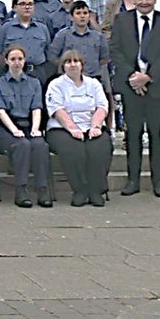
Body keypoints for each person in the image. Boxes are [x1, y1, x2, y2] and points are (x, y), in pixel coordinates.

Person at [110, 0, 160, 197]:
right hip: (130, 87)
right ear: (134, 0)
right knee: (133, 135)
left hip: (156, 87)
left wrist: (147, 77)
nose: (144, 2)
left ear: (155, 0)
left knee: (156, 134)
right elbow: (115, 50)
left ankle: (158, 181)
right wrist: (133, 76)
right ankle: (133, 180)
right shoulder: (122, 20)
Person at [45, 50, 111, 207]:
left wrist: (95, 126)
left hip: (91, 125)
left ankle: (95, 191)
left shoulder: (93, 84)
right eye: (68, 62)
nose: (72, 65)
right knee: (74, 149)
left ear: (82, 65)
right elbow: (57, 110)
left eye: (76, 61)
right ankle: (80, 190)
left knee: (99, 147)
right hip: (61, 128)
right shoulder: (56, 85)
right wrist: (72, 128)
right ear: (63, 66)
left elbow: (102, 107)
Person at [0, 45, 51, 208]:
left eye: (20, 59)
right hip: (7, 128)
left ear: (24, 61)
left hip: (29, 124)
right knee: (22, 145)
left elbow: (37, 108)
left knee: (40, 145)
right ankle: (21, 189)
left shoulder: (34, 83)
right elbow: (1, 111)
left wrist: (35, 129)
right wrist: (14, 130)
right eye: (13, 59)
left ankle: (43, 189)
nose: (17, 63)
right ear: (6, 61)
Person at [0, 0, 52, 81]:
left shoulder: (42, 28)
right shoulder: (5, 28)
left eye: (30, 4)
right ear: (15, 7)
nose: (27, 7)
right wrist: (9, 67)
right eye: (22, 4)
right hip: (13, 72)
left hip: (38, 73)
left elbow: (48, 52)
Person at [48, 0, 109, 84]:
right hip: (68, 80)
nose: (82, 16)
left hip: (93, 79)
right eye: (78, 13)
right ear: (71, 17)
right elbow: (52, 56)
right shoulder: (62, 35)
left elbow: (104, 59)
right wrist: (67, 67)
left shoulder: (98, 37)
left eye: (85, 13)